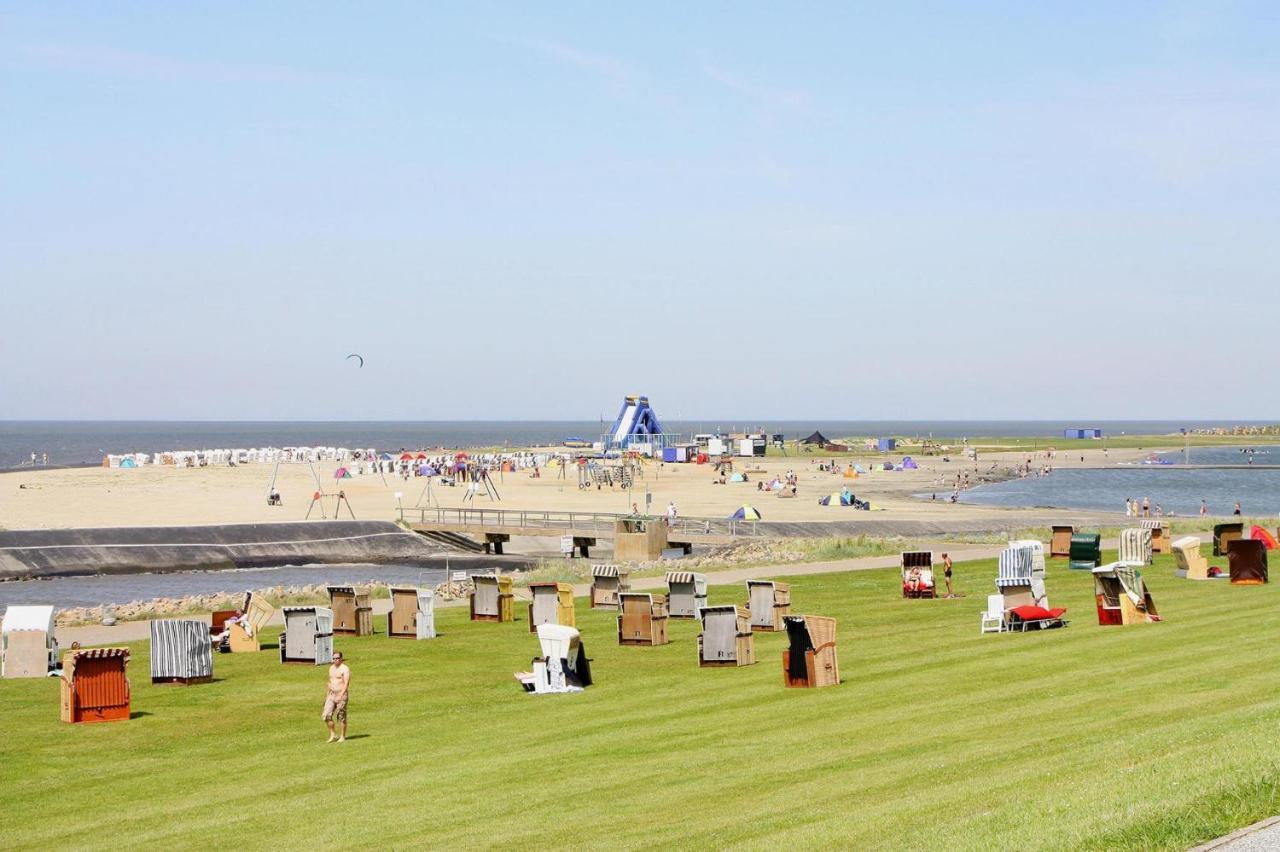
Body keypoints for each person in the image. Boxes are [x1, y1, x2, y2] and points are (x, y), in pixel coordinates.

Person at [323, 651, 351, 743]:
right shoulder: (331, 668)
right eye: (334, 658)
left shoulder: (345, 669)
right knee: (326, 715)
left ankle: (342, 736)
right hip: (332, 694)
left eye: (337, 658)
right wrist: (327, 696)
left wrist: (341, 695)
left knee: (341, 716)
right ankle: (333, 734)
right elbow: (329, 682)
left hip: (341, 695)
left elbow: (346, 684)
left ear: (341, 658)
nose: (336, 660)